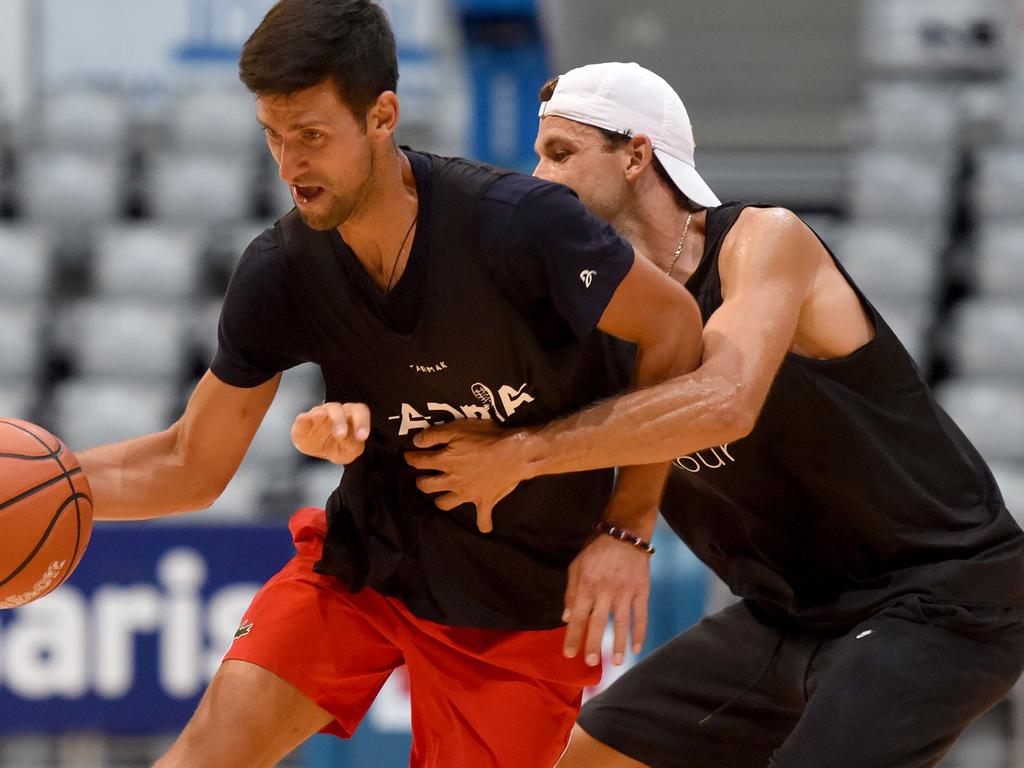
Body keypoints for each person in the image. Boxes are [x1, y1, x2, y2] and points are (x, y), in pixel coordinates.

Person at [69, 5, 704, 766]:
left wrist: (627, 528)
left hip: (518, 609)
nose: (288, 165)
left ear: (382, 116)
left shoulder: (519, 226)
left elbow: (677, 331)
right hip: (362, 569)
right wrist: (58, 484)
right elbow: (189, 463)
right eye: (273, 135)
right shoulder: (281, 270)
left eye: (310, 135)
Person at [405, 62, 1024, 768]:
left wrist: (523, 454)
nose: (539, 178)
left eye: (561, 153)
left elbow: (723, 404)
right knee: (587, 759)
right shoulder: (588, 314)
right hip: (789, 613)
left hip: (940, 598)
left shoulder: (764, 243)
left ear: (636, 156)